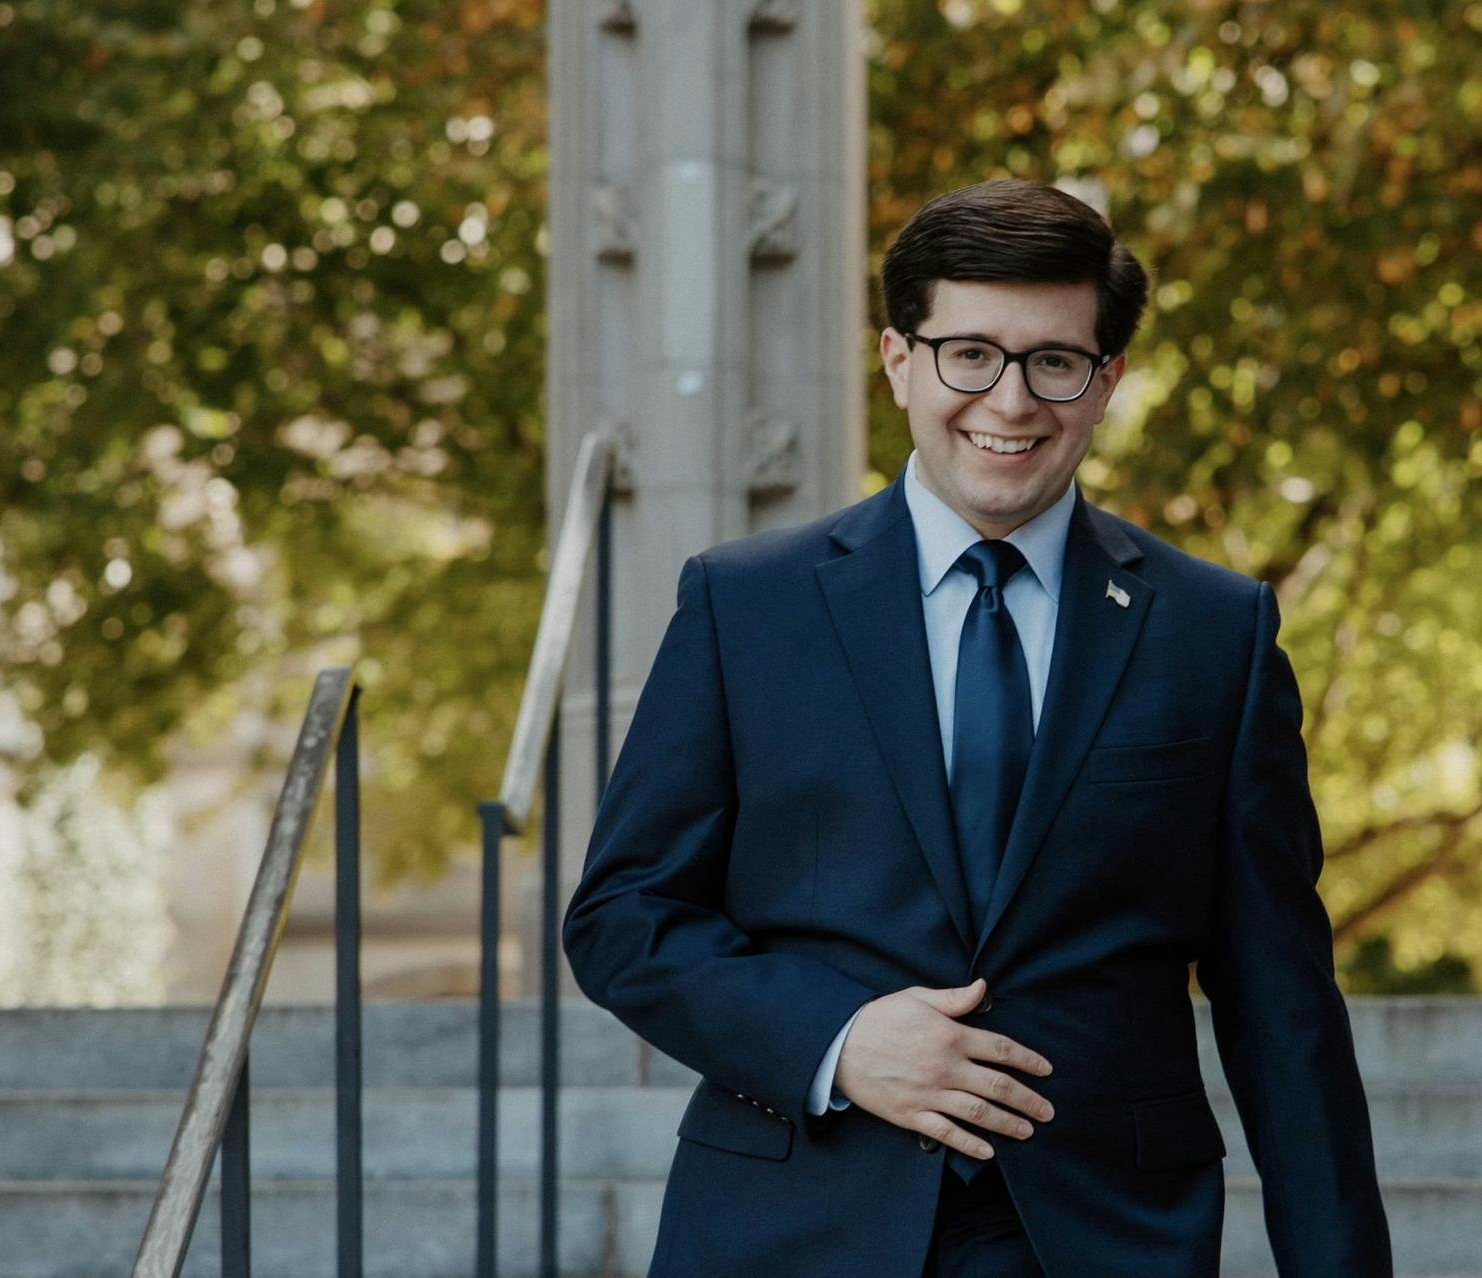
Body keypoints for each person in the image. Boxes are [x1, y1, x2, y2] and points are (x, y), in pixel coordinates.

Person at [562, 177, 1393, 1278]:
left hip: (1102, 1237)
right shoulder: (744, 605)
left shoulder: (1213, 633)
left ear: (1105, 383)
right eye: (969, 354)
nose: (1009, 401)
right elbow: (624, 916)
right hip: (790, 1225)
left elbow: (1278, 1004)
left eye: (1053, 361)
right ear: (898, 359)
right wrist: (839, 1042)